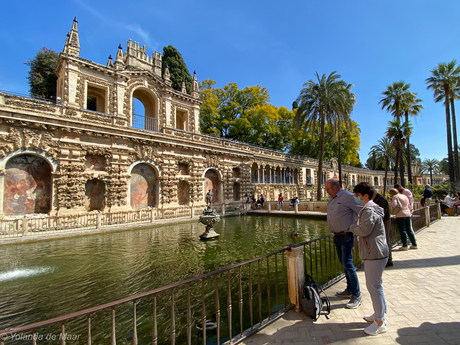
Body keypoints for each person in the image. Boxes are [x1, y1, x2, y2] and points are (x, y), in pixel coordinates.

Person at [350, 182, 389, 336]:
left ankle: (380, 323)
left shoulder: (368, 210)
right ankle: (379, 315)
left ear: (365, 196)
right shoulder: (372, 208)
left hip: (374, 252)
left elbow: (364, 230)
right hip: (376, 250)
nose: (355, 198)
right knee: (377, 286)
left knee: (374, 287)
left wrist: (351, 227)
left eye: (357, 195)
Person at [325, 179, 363, 309]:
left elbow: (363, 208)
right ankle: (349, 289)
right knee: (343, 262)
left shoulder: (349, 196)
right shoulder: (332, 198)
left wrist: (358, 227)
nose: (326, 192)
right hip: (336, 235)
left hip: (346, 235)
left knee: (348, 263)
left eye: (327, 189)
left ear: (335, 188)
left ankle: (357, 295)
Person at [372, 190, 392, 266]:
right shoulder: (377, 199)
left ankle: (388, 260)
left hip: (384, 221)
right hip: (381, 221)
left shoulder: (381, 200)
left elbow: (380, 212)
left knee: (386, 239)